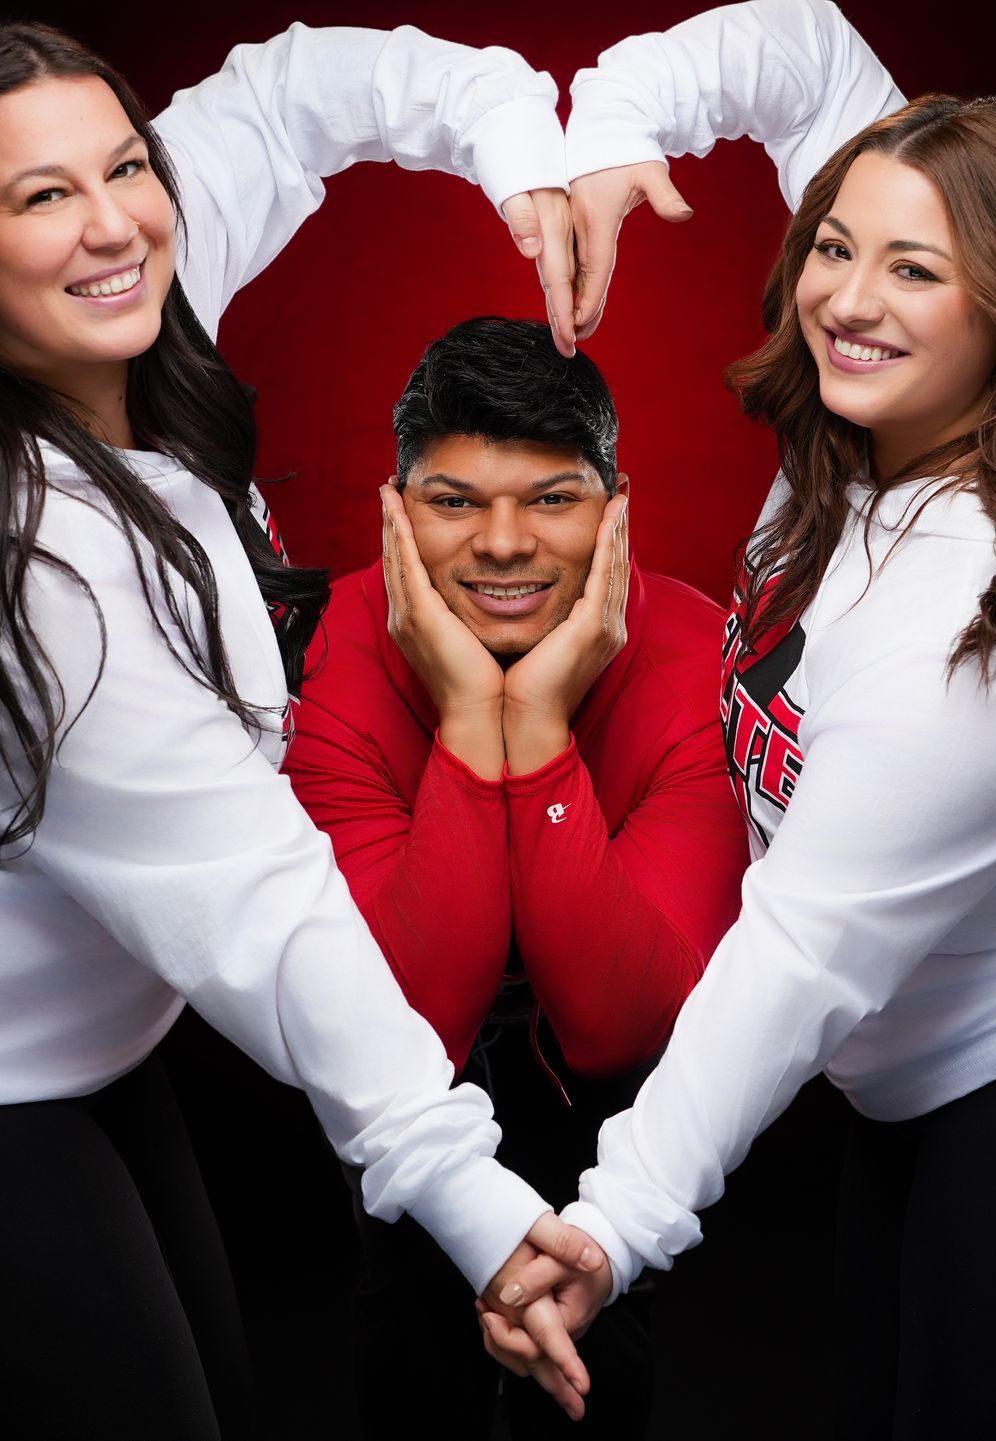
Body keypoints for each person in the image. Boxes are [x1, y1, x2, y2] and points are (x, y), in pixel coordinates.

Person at [0, 20, 604, 1438]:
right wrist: (474, 1202)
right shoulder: (29, 570)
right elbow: (262, 899)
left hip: (65, 1030)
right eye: (43, 195)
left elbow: (285, 100)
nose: (115, 224)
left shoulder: (111, 293)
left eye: (126, 165)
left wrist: (511, 142)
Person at [485, 3, 996, 1435]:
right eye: (834, 244)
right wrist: (616, 133)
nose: (846, 297)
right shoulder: (893, 388)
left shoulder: (982, 625)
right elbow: (799, 44)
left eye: (913, 270)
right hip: (920, 1056)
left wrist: (611, 1222)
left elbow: (801, 951)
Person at [279, 315, 750, 1436]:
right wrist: (461, 716)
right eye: (453, 501)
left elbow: (618, 1020)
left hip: (615, 1122)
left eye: (552, 498)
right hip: (402, 1104)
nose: (502, 543)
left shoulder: (693, 656)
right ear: (395, 510)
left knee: (597, 1376)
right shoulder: (324, 658)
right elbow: (416, 1019)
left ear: (616, 511)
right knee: (409, 1352)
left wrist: (530, 727)